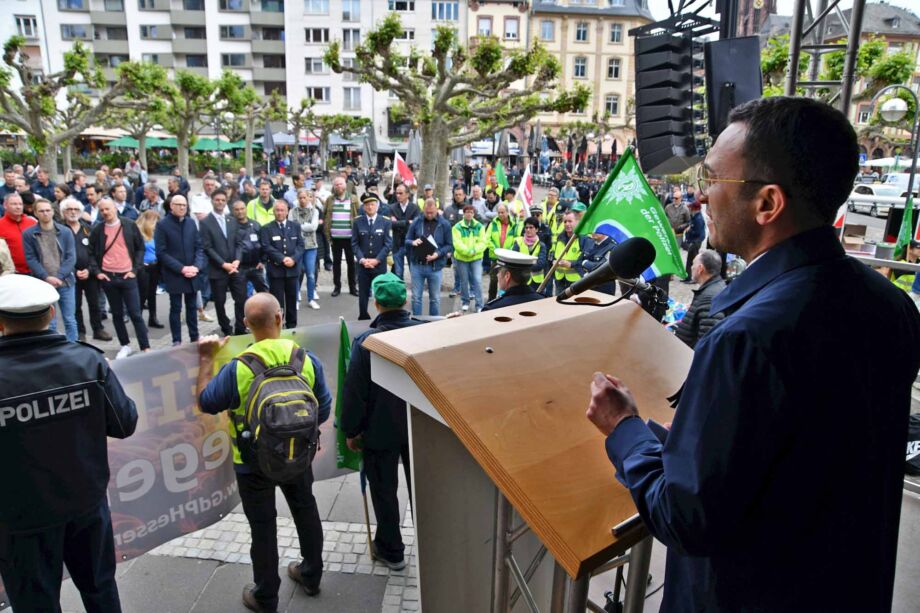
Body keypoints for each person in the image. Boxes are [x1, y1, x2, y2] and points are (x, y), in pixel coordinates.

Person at [585, 97, 920, 612]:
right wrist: (675, 443)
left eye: (712, 179)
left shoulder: (746, 338)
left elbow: (686, 517)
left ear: (767, 203)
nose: (700, 199)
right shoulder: (891, 305)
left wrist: (625, 428)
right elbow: (790, 459)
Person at [0, 274, 137, 613]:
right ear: (51, 313)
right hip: (86, 505)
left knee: (35, 603)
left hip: (20, 518)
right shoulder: (87, 361)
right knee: (100, 588)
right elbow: (124, 423)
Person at [197, 293, 331, 612]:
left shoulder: (237, 368)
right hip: (298, 453)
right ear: (280, 318)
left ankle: (266, 595)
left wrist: (206, 358)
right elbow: (322, 410)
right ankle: (311, 575)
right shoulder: (305, 359)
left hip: (251, 461)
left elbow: (206, 402)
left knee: (263, 525)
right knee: (305, 508)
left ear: (246, 324)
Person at [341, 273, 425, 570]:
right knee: (424, 491)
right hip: (420, 428)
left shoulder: (366, 342)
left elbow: (355, 394)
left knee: (384, 490)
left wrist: (351, 431)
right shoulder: (425, 332)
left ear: (376, 304)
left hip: (380, 429)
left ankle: (392, 550)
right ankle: (431, 545)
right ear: (405, 300)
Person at [89, 198, 150, 358]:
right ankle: (125, 345)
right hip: (109, 278)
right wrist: (98, 273)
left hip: (128, 276)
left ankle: (145, 347)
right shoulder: (97, 230)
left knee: (135, 314)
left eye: (108, 209)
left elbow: (140, 248)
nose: (105, 212)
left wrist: (135, 270)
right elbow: (91, 253)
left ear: (115, 208)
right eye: (102, 210)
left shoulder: (129, 225)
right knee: (116, 314)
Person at [23, 199, 78, 342]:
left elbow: (71, 257)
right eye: (41, 211)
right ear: (35, 213)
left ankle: (73, 348)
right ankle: (53, 349)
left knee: (70, 319)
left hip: (65, 282)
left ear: (53, 212)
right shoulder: (29, 234)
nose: (45, 213)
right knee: (50, 322)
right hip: (43, 283)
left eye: (48, 210)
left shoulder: (65, 232)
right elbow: (31, 259)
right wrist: (46, 277)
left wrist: (59, 276)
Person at [155, 194, 206, 346]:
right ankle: (176, 340)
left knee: (192, 307)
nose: (182, 207)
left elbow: (199, 247)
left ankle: (194, 337)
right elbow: (161, 252)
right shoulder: (163, 225)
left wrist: (196, 266)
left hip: (192, 272)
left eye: (184, 205)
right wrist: (182, 268)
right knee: (175, 307)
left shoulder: (191, 223)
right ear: (171, 206)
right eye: (178, 205)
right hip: (175, 273)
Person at [200, 189, 246, 336]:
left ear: (226, 202)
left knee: (241, 299)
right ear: (212, 201)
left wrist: (237, 260)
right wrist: (223, 264)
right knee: (219, 302)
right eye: (217, 200)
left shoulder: (232, 220)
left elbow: (239, 243)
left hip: (235, 268)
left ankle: (240, 327)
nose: (220, 202)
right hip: (218, 270)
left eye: (223, 200)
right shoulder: (206, 222)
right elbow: (207, 247)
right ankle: (226, 328)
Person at [261, 199, 304, 329]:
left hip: (292, 269)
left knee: (292, 299)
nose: (279, 213)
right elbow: (266, 247)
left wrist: (294, 259)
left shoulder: (295, 226)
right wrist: (282, 259)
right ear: (273, 212)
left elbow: (301, 245)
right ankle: (278, 325)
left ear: (287, 212)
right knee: (277, 302)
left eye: (282, 210)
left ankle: (292, 325)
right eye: (277, 210)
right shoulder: (267, 228)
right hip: (276, 270)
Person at [406, 198, 453, 316]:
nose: (430, 215)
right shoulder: (417, 222)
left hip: (435, 267)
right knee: (416, 297)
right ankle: (417, 322)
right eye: (427, 212)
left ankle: (433, 324)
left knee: (435, 299)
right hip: (417, 266)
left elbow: (449, 245)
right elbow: (406, 240)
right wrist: (413, 242)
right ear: (423, 210)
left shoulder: (444, 224)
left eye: (432, 212)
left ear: (437, 209)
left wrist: (438, 254)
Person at [352, 193, 392, 320]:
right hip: (363, 265)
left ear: (377, 206)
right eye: (367, 205)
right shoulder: (358, 222)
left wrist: (377, 260)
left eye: (372, 204)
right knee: (363, 293)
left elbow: (388, 244)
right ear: (364, 207)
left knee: (381, 293)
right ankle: (363, 316)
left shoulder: (385, 222)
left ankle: (383, 317)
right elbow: (354, 243)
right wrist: (362, 259)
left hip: (379, 265)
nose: (370, 207)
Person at [674, 249, 726, 348]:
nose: (691, 267)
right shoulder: (715, 287)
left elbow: (707, 342)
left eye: (693, 264)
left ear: (700, 269)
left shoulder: (709, 297)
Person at [323, 176, 359, 297]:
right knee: (336, 264)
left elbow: (358, 216)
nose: (338, 186)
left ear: (345, 185)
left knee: (351, 263)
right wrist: (327, 233)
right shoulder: (330, 200)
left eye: (340, 184)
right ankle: (337, 287)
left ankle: (353, 287)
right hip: (335, 238)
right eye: (336, 184)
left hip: (350, 237)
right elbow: (325, 216)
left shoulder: (353, 199)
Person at [288, 188, 321, 310]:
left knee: (311, 274)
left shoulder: (314, 211)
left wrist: (299, 227)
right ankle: (296, 298)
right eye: (300, 197)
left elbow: (313, 227)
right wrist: (304, 227)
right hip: (297, 246)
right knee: (297, 273)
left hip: (311, 246)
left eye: (304, 197)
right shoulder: (292, 211)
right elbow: (291, 227)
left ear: (308, 198)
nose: (302, 200)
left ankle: (311, 298)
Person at [451, 204, 487, 312]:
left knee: (477, 280)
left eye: (471, 212)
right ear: (464, 213)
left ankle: (479, 304)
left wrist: (474, 251)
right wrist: (468, 252)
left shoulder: (479, 226)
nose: (469, 214)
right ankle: (465, 301)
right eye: (467, 212)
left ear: (474, 214)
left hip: (475, 258)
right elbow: (457, 243)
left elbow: (483, 242)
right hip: (462, 259)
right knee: (464, 281)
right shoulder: (457, 227)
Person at [232, 199, 269, 294]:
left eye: (242, 209)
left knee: (264, 294)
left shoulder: (256, 225)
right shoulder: (230, 227)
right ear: (233, 211)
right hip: (239, 268)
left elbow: (264, 243)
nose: (240, 212)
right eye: (237, 209)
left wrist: (263, 261)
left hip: (256, 267)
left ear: (246, 209)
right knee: (242, 298)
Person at [135, 210, 164, 329]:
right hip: (144, 267)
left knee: (152, 294)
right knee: (142, 294)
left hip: (154, 266)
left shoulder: (155, 234)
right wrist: (141, 263)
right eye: (154, 221)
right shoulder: (139, 234)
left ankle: (153, 317)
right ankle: (139, 320)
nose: (156, 224)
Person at [486, 203, 519, 302]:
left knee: (507, 280)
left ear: (507, 212)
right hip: (496, 257)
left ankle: (505, 299)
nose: (500, 214)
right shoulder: (493, 224)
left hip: (508, 257)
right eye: (499, 212)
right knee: (493, 279)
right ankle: (491, 299)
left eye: (502, 212)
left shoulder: (514, 225)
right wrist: (495, 249)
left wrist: (508, 251)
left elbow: (517, 239)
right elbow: (487, 239)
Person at [0, 192, 37, 273]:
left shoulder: (32, 222)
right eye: (14, 204)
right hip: (12, 273)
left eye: (20, 204)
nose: (18, 207)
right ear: (5, 205)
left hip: (35, 270)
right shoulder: (0, 225)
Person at [388, 183, 419, 280]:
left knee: (414, 272)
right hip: (397, 244)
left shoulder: (415, 208)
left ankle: (416, 294)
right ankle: (399, 293)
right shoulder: (392, 207)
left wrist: (398, 222)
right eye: (396, 193)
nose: (397, 195)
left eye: (400, 193)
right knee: (398, 273)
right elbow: (390, 224)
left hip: (411, 245)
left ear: (407, 194)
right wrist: (407, 222)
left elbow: (416, 225)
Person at [511, 216, 549, 294]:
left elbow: (540, 264)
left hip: (537, 282)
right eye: (526, 227)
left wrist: (523, 265)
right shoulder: (518, 242)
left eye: (531, 227)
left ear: (537, 229)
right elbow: (514, 260)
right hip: (521, 280)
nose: (528, 230)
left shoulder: (541, 245)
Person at [575, 232, 617, 296]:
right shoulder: (589, 242)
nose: (593, 232)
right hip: (587, 284)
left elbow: (602, 268)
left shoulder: (612, 246)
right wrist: (584, 275)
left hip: (603, 287)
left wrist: (585, 263)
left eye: (597, 230)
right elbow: (578, 263)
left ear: (604, 230)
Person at [551, 211, 582, 296]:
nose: (567, 224)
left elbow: (585, 260)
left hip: (576, 281)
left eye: (570, 221)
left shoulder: (583, 238)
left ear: (577, 222)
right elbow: (555, 255)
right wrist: (554, 261)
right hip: (560, 280)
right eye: (565, 221)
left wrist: (571, 264)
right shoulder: (560, 237)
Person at [680, 201, 706, 283]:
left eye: (691, 208)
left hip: (696, 241)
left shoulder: (698, 218)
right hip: (694, 241)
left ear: (695, 209)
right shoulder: (695, 217)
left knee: (693, 260)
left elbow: (698, 232)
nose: (690, 209)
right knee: (690, 259)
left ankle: (693, 278)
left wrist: (689, 230)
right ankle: (688, 277)